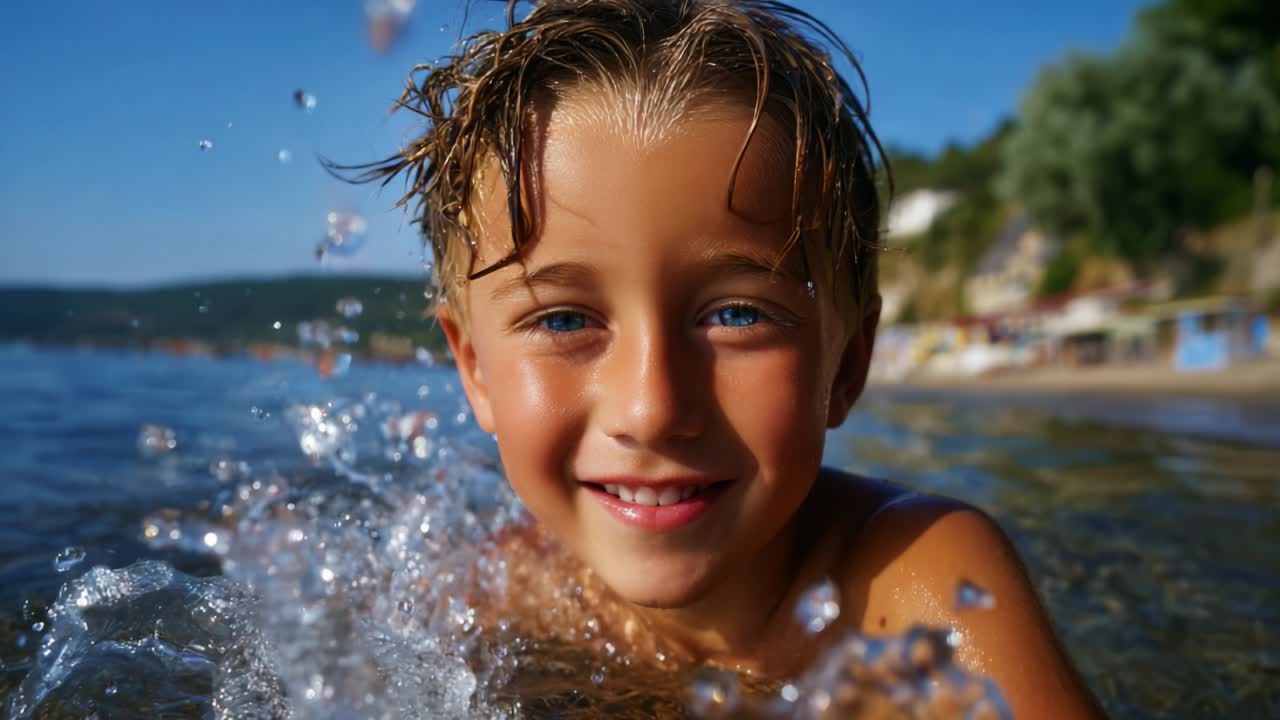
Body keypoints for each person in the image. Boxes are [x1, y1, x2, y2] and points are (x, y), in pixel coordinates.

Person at [339, 0, 1102, 715]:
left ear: (846, 364)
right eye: (565, 318)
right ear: (476, 371)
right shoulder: (497, 591)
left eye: (737, 314)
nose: (653, 409)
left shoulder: (920, 587)